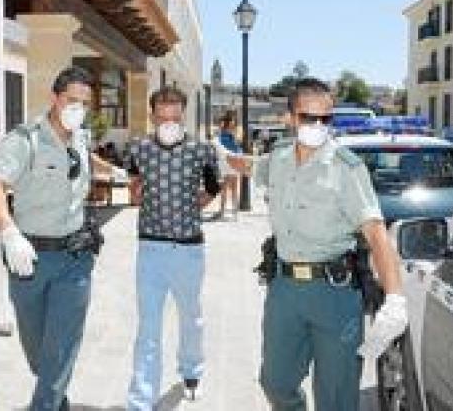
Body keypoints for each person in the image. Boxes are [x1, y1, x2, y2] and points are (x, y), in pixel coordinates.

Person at [228, 78, 407, 411]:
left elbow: (376, 232)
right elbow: (252, 166)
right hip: (284, 291)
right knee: (275, 383)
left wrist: (395, 298)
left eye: (326, 119)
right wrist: (223, 156)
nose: (318, 126)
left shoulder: (346, 168)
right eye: (309, 118)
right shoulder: (279, 158)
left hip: (334, 295)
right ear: (290, 118)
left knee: (336, 397)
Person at [0, 66, 125, 411]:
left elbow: (85, 159)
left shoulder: (80, 136)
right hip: (29, 258)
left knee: (61, 344)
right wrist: (9, 233)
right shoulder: (25, 140)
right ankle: (55, 393)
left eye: (85, 103)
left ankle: (46, 401)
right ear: (54, 98)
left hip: (75, 258)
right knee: (37, 347)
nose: (79, 109)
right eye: (72, 101)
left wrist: (115, 171)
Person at [124, 86, 221, 410]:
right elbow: (135, 187)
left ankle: (192, 371)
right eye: (163, 118)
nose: (169, 124)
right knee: (148, 327)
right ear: (152, 116)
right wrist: (138, 194)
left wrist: (192, 209)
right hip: (150, 249)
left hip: (188, 250)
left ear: (183, 116)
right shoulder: (138, 149)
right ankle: (141, 400)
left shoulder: (201, 150)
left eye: (175, 118)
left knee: (190, 316)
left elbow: (212, 187)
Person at [214, 112, 242, 218]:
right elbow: (230, 147)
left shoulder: (231, 133)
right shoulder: (224, 133)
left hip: (232, 159)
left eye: (234, 121)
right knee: (225, 186)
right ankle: (224, 211)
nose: (233, 123)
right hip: (227, 160)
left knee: (233, 186)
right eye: (232, 121)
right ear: (228, 122)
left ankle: (232, 211)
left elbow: (237, 147)